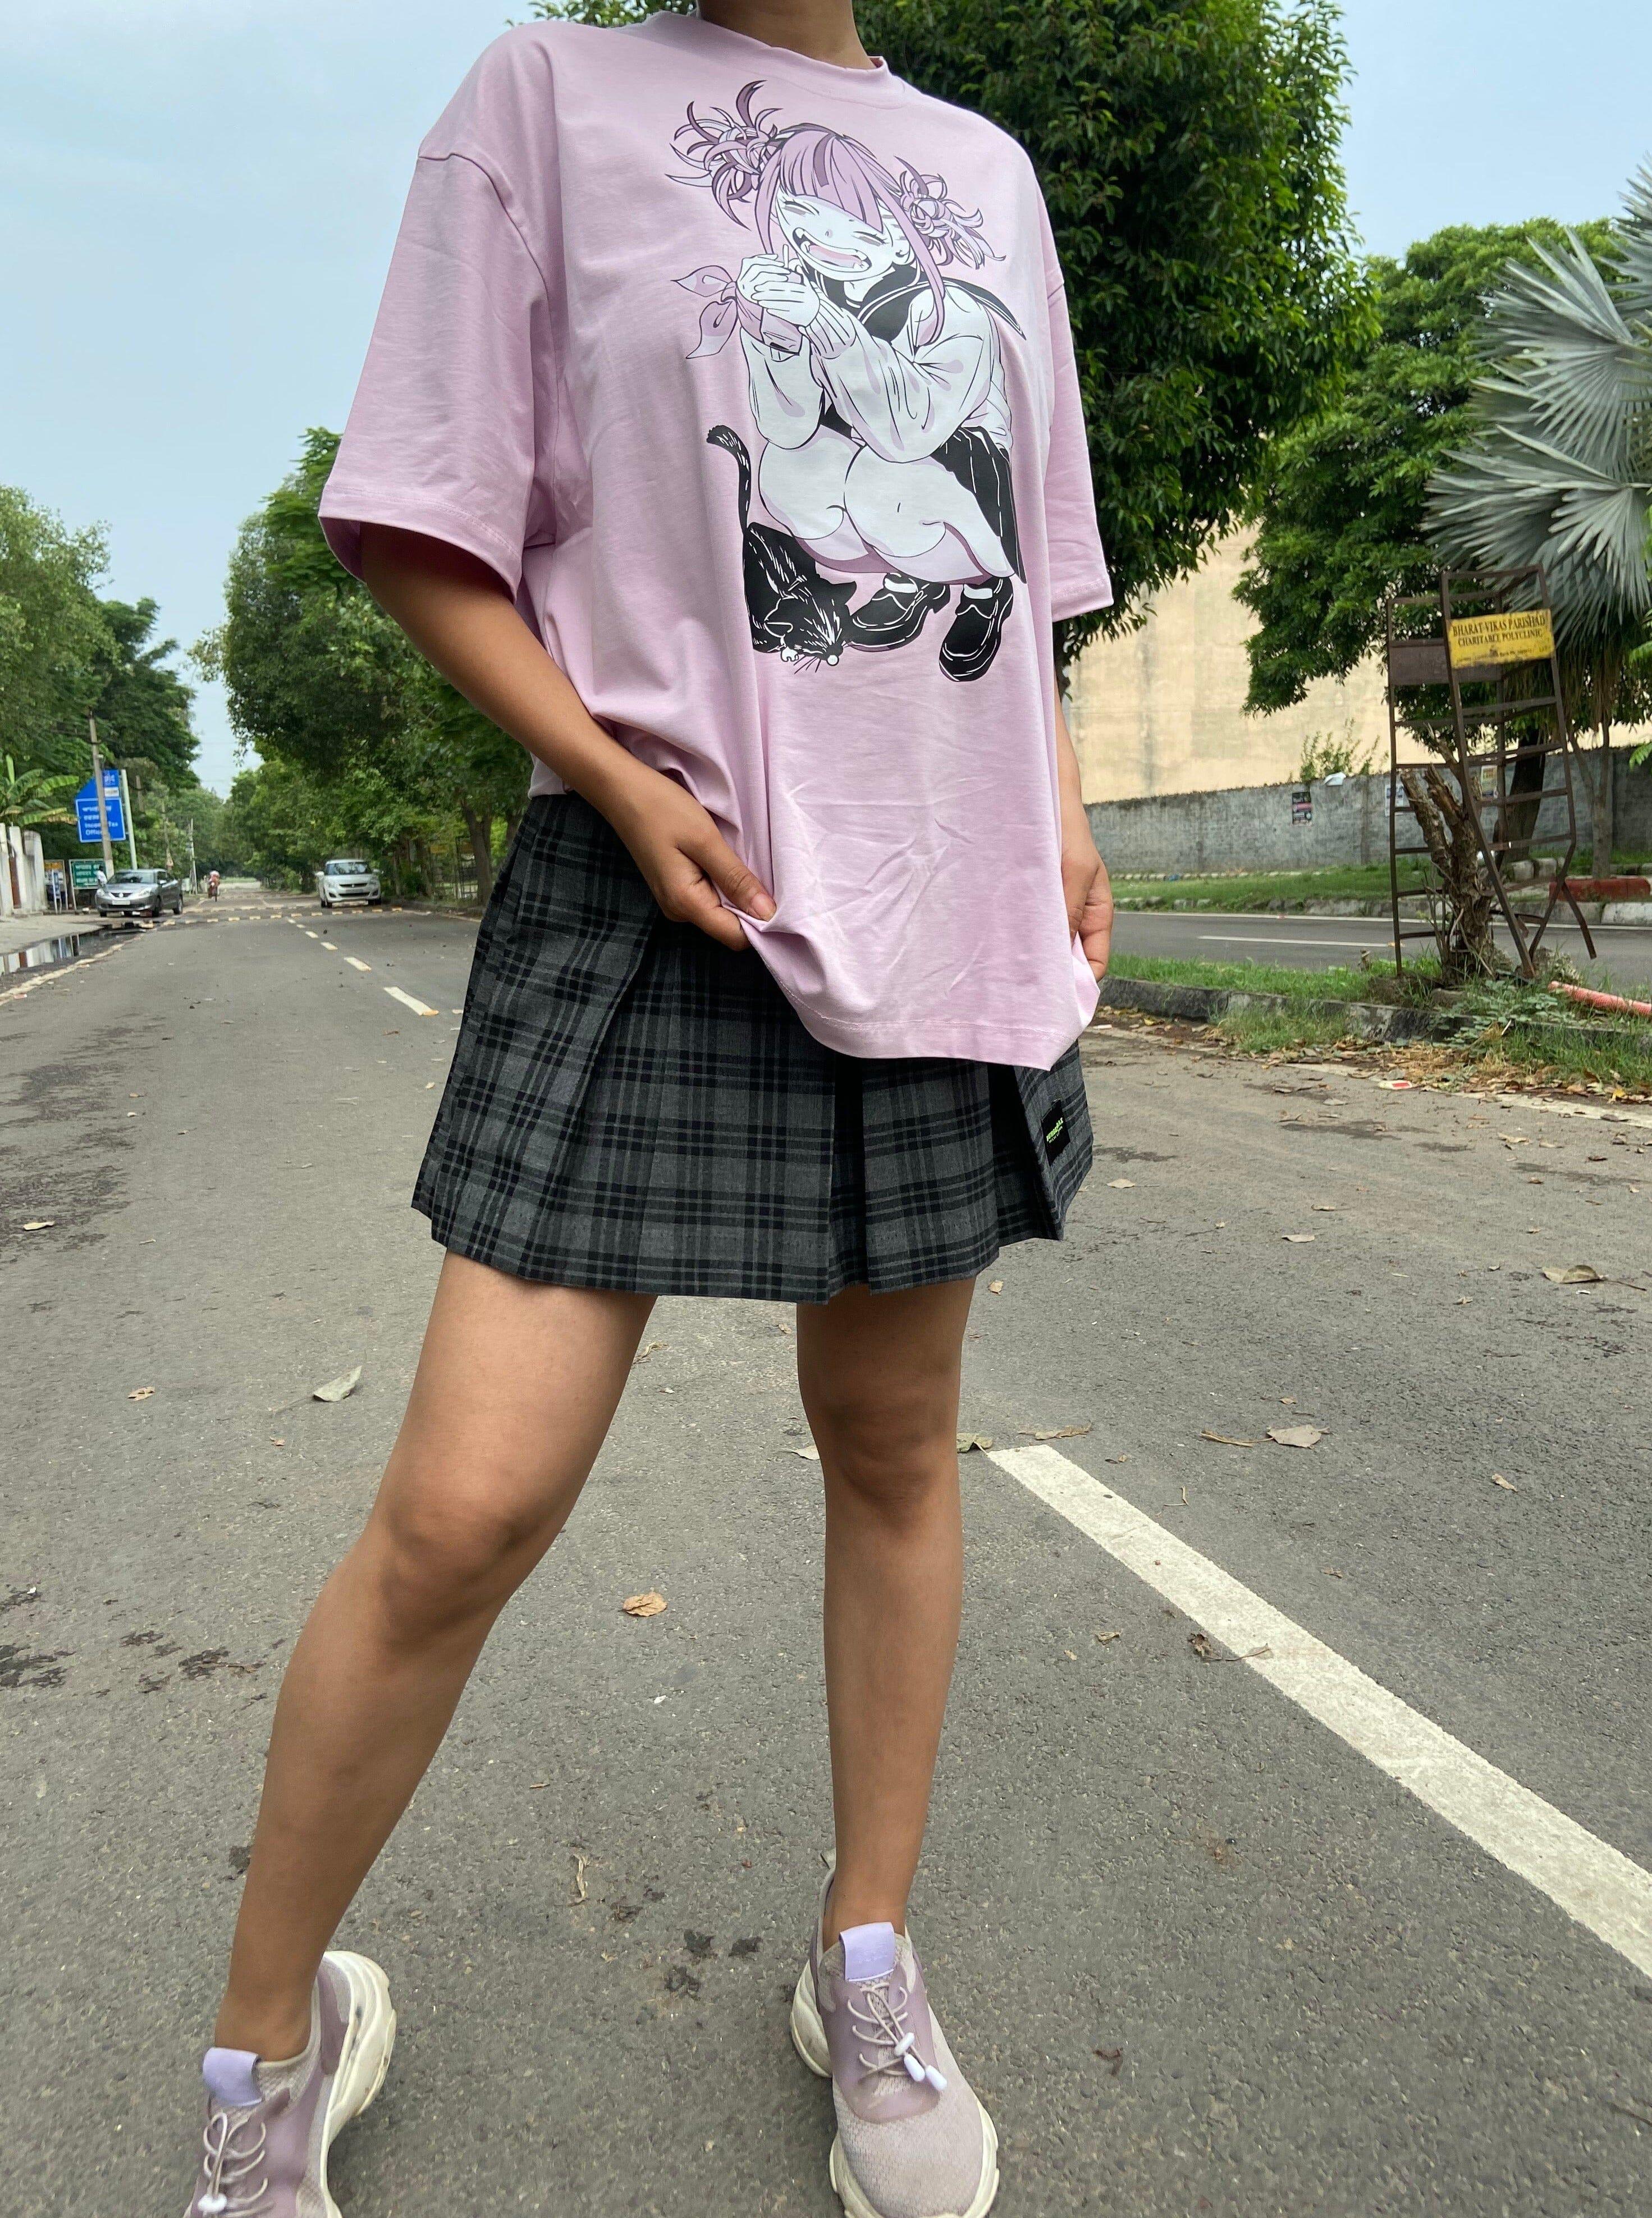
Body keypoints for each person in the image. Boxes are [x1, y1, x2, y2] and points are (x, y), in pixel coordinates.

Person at [183, 7, 1114, 2216]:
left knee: (893, 1444)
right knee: (463, 1508)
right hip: (651, 875)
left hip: (938, 884)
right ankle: (266, 2047)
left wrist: (1061, 804)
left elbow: (1021, 572)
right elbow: (422, 517)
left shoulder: (984, 175)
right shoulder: (543, 101)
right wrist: (606, 775)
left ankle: (864, 1960)